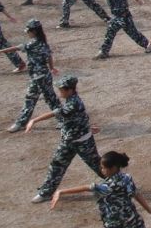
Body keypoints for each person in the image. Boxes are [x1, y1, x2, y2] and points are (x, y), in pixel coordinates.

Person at [27, 75, 103, 204]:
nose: (60, 92)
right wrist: (87, 126)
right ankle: (46, 192)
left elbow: (57, 112)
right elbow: (81, 117)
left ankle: (116, 184)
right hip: (68, 141)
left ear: (70, 90)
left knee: (97, 165)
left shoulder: (73, 103)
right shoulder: (70, 100)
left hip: (83, 142)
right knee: (56, 165)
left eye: (62, 90)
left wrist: (34, 120)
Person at [0, 19, 59, 132]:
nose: (27, 33)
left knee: (49, 99)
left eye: (28, 31)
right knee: (37, 99)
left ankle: (63, 120)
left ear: (33, 31)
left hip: (40, 77)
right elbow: (49, 56)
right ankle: (22, 122)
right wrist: (52, 68)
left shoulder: (32, 43)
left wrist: (0, 51)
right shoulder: (43, 41)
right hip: (40, 76)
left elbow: (18, 48)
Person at [79, 0, 151, 60]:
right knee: (110, 33)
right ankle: (104, 51)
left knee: (133, 33)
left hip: (123, 16)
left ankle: (147, 45)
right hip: (117, 16)